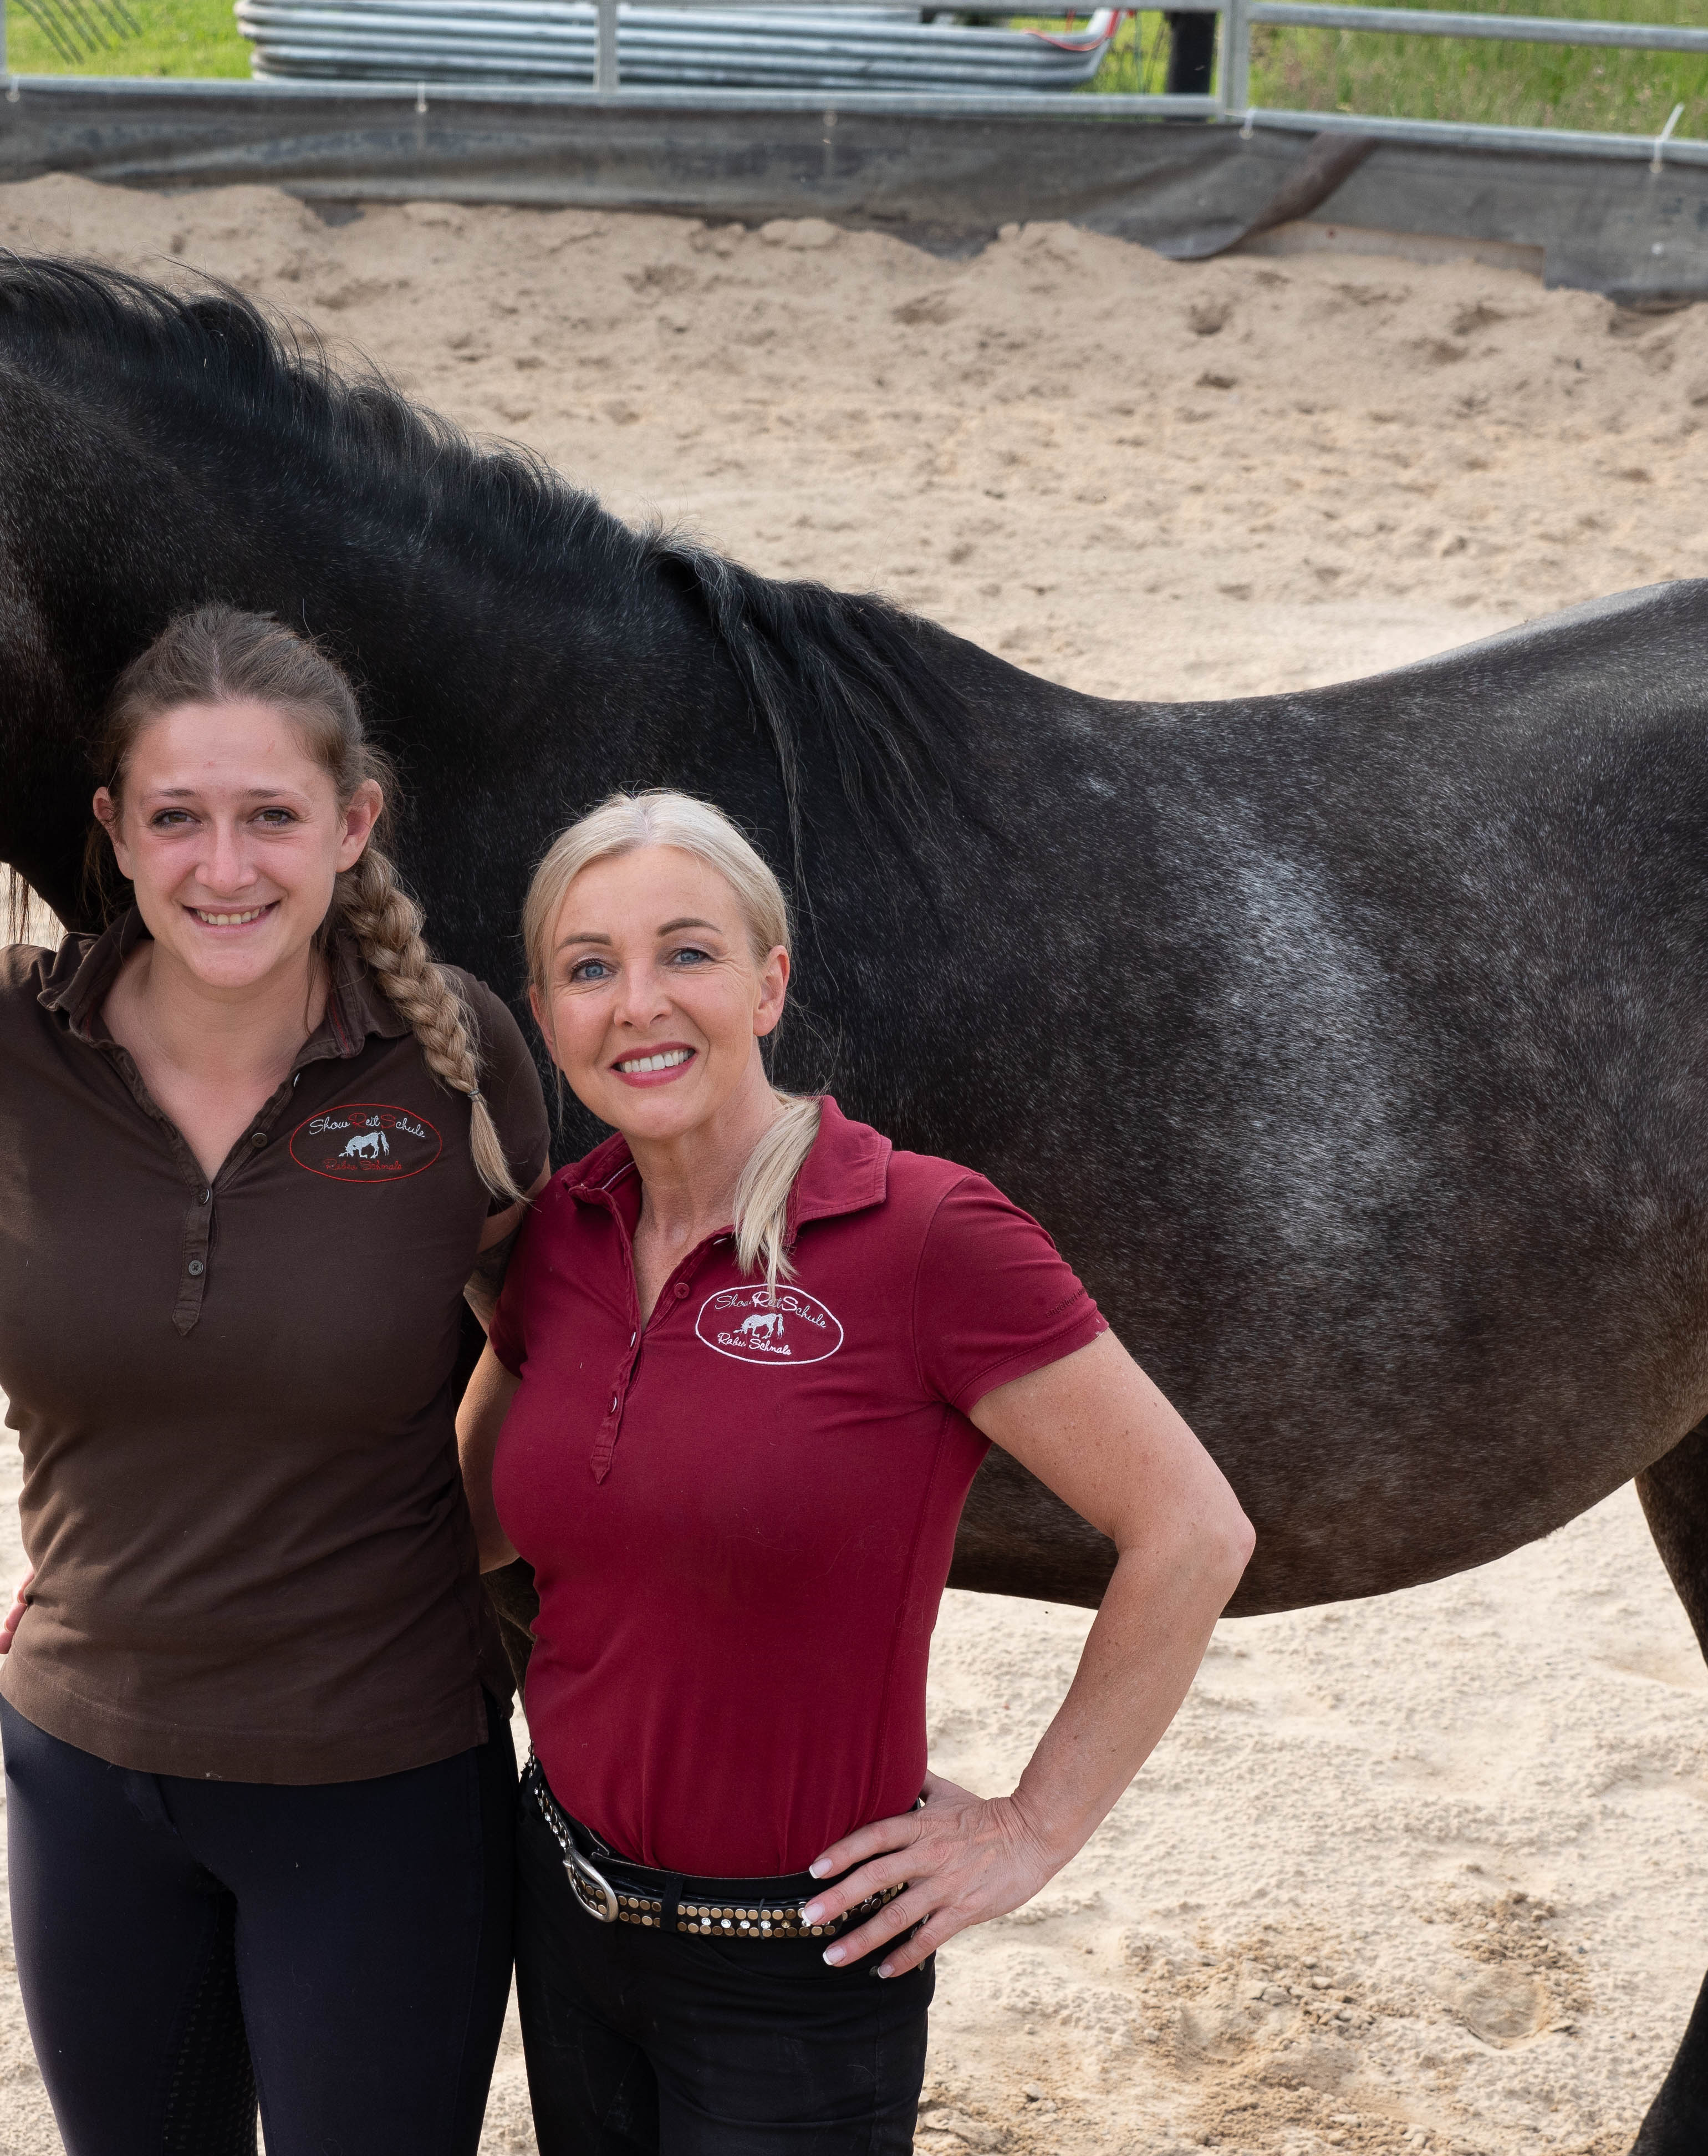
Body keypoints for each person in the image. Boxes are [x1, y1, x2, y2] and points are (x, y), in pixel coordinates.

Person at [0, 604, 549, 2154]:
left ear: (350, 825)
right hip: (87, 1770)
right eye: (177, 818)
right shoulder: (8, 1044)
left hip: (379, 1779)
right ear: (114, 827)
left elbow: (545, 1332)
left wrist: (449, 1540)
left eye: (270, 818)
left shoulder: (453, 1062)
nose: (222, 868)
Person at [456, 790, 1254, 2156]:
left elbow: (1191, 1530)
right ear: (547, 1011)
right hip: (565, 1920)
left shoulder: (929, 1234)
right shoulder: (555, 1244)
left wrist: (1032, 1826)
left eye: (688, 954)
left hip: (802, 1968)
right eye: (592, 968)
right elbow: (459, 1528)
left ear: (770, 984)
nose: (639, 1003)